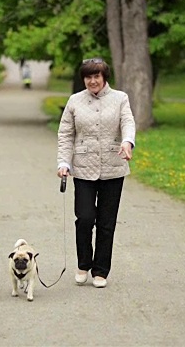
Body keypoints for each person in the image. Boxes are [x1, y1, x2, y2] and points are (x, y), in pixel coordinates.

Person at [56, 58, 135, 288]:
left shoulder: (120, 98)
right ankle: (83, 264)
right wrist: (64, 162)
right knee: (85, 218)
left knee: (106, 222)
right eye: (88, 77)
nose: (92, 81)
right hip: (83, 168)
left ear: (104, 77)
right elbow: (65, 134)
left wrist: (128, 142)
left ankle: (101, 270)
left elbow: (128, 122)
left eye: (96, 76)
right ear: (84, 79)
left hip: (113, 166)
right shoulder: (74, 101)